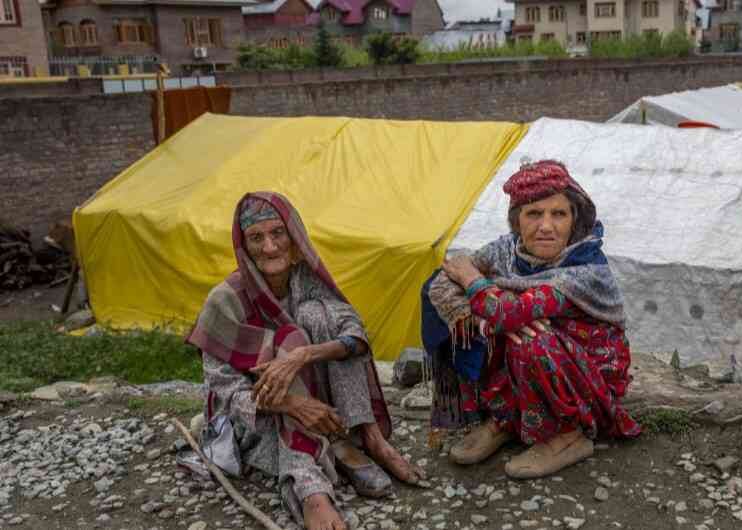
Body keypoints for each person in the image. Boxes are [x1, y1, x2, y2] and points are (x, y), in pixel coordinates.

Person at [188, 192, 424, 530]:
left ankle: (368, 436)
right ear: (243, 245)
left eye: (277, 233)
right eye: (256, 238)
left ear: (293, 235)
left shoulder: (305, 279)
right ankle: (311, 488)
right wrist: (293, 404)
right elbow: (226, 390)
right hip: (258, 419)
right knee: (290, 337)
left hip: (320, 408)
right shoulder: (224, 301)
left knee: (315, 320)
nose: (269, 248)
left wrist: (303, 356)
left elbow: (356, 335)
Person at [422, 160, 641, 480]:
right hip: (528, 361)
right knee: (483, 325)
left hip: (584, 383)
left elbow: (500, 309)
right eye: (534, 214)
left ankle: (568, 437)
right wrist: (481, 321)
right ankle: (506, 419)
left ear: (575, 220)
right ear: (517, 221)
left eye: (559, 214)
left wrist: (476, 283)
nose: (546, 226)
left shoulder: (583, 270)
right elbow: (441, 282)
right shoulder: (506, 250)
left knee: (528, 337)